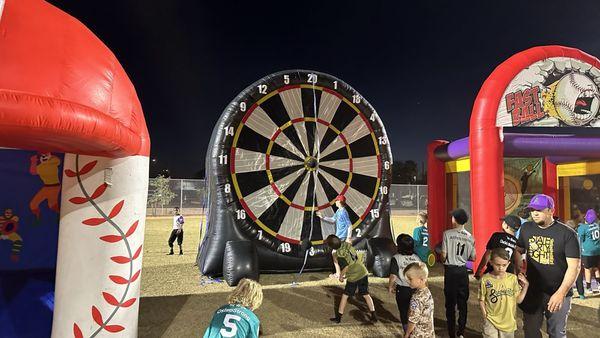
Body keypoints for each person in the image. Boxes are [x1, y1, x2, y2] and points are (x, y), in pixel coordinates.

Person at [514, 194, 580, 338]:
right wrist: (519, 269)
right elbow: (518, 250)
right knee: (530, 332)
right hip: (532, 291)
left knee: (556, 333)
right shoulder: (526, 228)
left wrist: (561, 293)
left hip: (557, 291)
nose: (534, 213)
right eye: (532, 210)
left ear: (551, 210)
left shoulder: (568, 234)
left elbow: (574, 267)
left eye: (539, 210)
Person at [325, 234, 377, 323]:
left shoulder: (339, 254)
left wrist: (341, 276)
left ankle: (338, 318)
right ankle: (373, 315)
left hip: (353, 276)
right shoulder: (346, 244)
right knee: (366, 294)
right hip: (362, 271)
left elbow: (345, 267)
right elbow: (349, 243)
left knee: (345, 296)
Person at [440, 208, 475, 338]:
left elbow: (443, 255)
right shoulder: (470, 237)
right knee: (462, 303)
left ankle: (451, 333)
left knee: (450, 304)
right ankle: (461, 332)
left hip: (451, 271)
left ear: (455, 219)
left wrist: (444, 258)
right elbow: (473, 257)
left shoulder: (447, 234)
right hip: (462, 271)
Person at [479, 248, 529, 338]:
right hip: (491, 320)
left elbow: (518, 300)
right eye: (497, 265)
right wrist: (485, 316)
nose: (501, 268)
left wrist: (525, 287)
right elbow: (482, 299)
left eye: (504, 265)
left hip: (508, 322)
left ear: (508, 263)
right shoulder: (485, 279)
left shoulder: (512, 279)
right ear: (491, 262)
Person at [389, 234, 422, 333]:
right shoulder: (417, 258)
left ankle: (407, 332)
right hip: (416, 290)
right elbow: (422, 274)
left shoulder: (396, 258)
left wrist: (390, 286)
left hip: (402, 290)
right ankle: (415, 331)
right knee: (414, 311)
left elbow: (393, 275)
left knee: (404, 312)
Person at [475, 215, 520, 279]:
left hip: (494, 271)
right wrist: (518, 275)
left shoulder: (497, 236)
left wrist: (479, 271)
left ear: (506, 226)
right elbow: (517, 262)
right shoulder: (517, 242)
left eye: (504, 222)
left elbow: (487, 255)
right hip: (508, 274)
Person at [317, 195, 351, 279]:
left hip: (342, 237)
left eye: (336, 201)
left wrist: (348, 237)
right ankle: (339, 273)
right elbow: (333, 219)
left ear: (339, 202)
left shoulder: (343, 212)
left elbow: (349, 225)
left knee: (336, 254)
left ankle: (339, 274)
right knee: (336, 254)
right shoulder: (339, 211)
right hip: (339, 236)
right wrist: (323, 217)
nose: (335, 202)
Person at [403, 261, 435, 338]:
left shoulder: (416, 298)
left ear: (421, 279)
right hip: (429, 333)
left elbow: (413, 320)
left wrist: (407, 334)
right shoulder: (427, 291)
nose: (407, 281)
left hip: (418, 334)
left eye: (410, 279)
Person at [577, 209, 600, 295]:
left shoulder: (582, 227)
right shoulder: (598, 226)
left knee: (587, 269)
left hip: (587, 252)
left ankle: (588, 287)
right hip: (598, 251)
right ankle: (599, 285)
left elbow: (580, 239)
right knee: (596, 268)